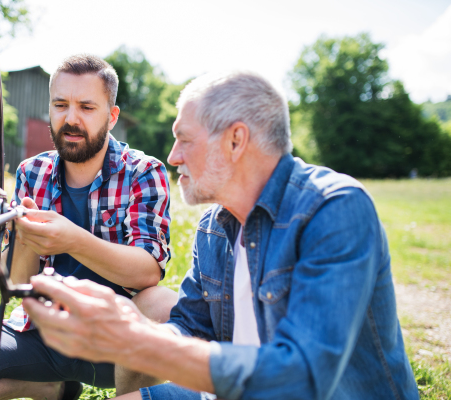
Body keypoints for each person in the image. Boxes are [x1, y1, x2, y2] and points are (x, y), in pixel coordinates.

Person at [22, 71, 420, 400]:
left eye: (185, 140)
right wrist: (128, 324)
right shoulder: (215, 226)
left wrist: (140, 341)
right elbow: (191, 326)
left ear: (235, 140)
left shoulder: (334, 209)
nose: (173, 156)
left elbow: (303, 378)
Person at [0, 54, 178, 400]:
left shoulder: (143, 171)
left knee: (163, 307)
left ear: (112, 116)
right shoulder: (32, 172)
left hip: (117, 340)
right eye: (60, 105)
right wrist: (25, 240)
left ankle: (126, 397)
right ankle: (50, 388)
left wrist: (72, 240)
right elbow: (18, 282)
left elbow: (147, 272)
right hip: (42, 330)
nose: (70, 119)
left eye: (87, 107)